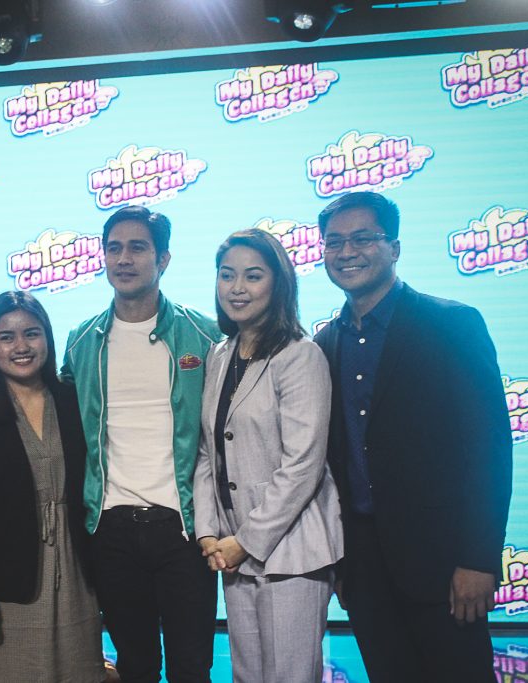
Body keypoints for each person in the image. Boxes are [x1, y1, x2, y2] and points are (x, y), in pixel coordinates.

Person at [313, 191, 512, 681]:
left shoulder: (451, 324)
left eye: (363, 238)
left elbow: (488, 449)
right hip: (363, 569)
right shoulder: (323, 343)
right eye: (334, 242)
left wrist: (479, 560)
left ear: (395, 248)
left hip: (446, 566)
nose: (346, 252)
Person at [61, 205, 221, 683]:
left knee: (192, 667)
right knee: (136, 667)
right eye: (114, 248)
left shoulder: (205, 335)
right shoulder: (81, 342)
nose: (123, 259)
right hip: (110, 529)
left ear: (163, 259)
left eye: (137, 248)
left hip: (185, 529)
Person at [193, 229, 343, 683]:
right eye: (227, 275)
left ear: (278, 284)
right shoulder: (219, 354)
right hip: (233, 552)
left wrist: (246, 541)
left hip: (292, 552)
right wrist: (209, 533)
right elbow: (208, 452)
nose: (237, 288)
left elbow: (303, 465)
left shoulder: (300, 356)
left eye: (253, 276)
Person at [0, 291, 104, 683]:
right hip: (7, 584)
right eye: (6, 337)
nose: (21, 346)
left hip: (76, 577)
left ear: (47, 339)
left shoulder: (73, 400)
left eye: (31, 334)